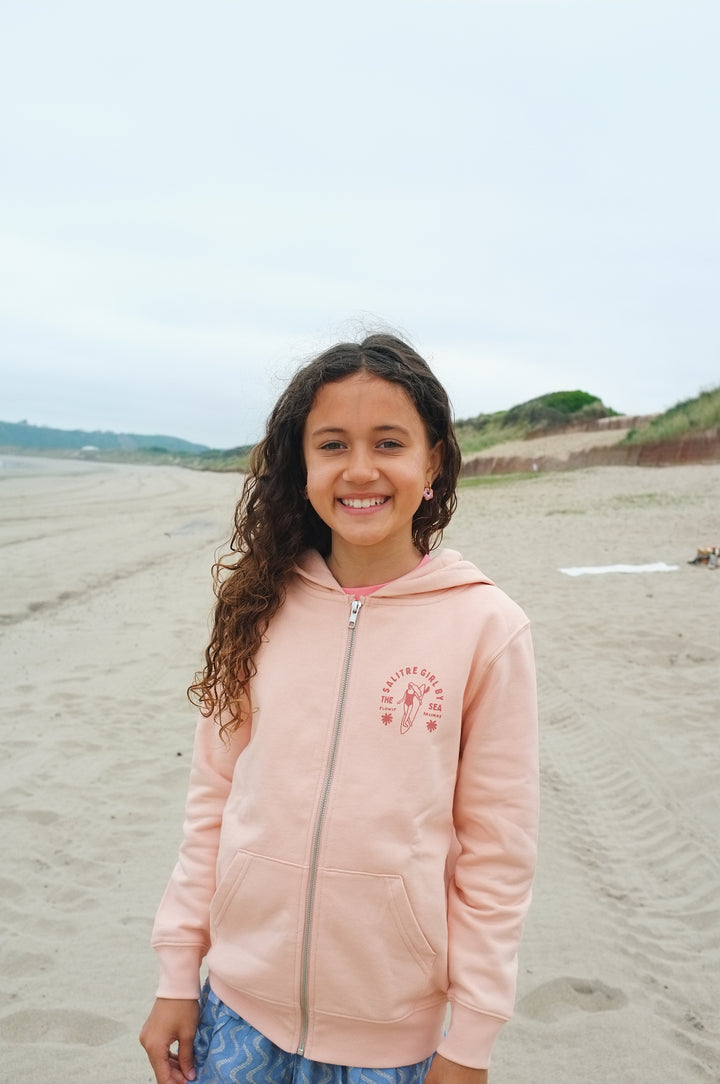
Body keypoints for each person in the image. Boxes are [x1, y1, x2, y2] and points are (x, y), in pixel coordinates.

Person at [140, 333, 538, 1084]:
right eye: (332, 445)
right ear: (302, 467)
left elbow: (498, 853)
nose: (359, 469)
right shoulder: (256, 607)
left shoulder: (487, 627)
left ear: (433, 463)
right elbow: (212, 800)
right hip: (237, 1007)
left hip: (392, 1035)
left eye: (389, 442)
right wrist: (176, 974)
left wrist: (471, 1040)